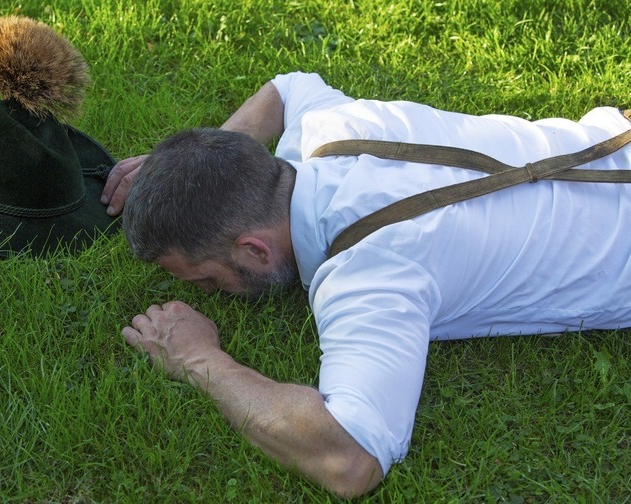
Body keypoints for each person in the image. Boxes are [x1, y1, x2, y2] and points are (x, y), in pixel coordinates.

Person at [101, 72, 631, 496]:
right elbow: (286, 87)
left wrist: (198, 358)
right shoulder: (329, 125)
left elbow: (350, 457)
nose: (207, 294)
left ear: (255, 251)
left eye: (209, 281)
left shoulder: (369, 275)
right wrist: (191, 172)